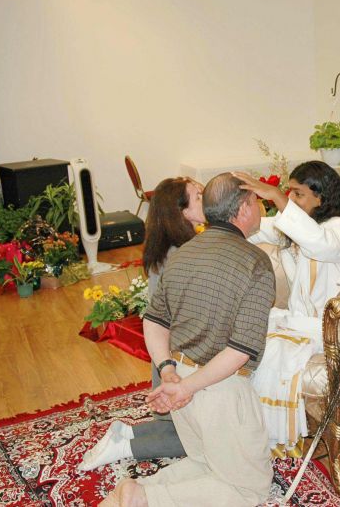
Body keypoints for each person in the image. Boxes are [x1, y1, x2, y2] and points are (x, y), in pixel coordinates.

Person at [99, 172, 275, 507]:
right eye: (255, 201)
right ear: (242, 209)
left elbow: (153, 320)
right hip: (217, 388)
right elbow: (240, 350)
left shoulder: (181, 253)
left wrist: (168, 371)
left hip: (181, 377)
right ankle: (145, 498)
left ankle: (131, 493)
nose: (259, 207)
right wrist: (186, 387)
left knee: (205, 463)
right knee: (250, 489)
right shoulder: (255, 262)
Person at [234, 161, 340, 455]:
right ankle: (251, 432)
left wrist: (277, 197)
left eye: (299, 194)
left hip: (336, 329)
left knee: (268, 349)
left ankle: (275, 439)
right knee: (246, 337)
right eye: (290, 193)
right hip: (301, 323)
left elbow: (319, 244)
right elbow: (255, 229)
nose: (292, 200)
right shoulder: (296, 226)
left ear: (321, 198)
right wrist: (218, 215)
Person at [79, 177, 204, 470]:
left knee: (175, 427)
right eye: (199, 197)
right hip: (179, 362)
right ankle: (125, 446)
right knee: (201, 439)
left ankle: (125, 433)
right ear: (182, 212)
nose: (206, 199)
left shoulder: (166, 248)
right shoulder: (183, 255)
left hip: (165, 359)